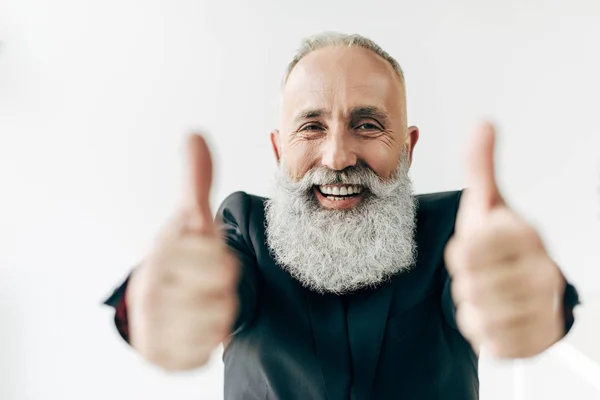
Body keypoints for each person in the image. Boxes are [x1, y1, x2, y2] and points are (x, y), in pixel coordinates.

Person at [103, 32, 580, 400]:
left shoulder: (456, 230)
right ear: (278, 150)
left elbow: (498, 285)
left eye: (367, 125)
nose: (336, 156)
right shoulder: (243, 226)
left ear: (407, 149)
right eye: (311, 127)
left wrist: (539, 303)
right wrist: (157, 308)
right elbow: (207, 286)